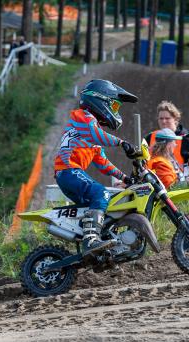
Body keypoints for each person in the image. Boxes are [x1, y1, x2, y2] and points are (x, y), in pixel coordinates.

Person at [54, 79, 139, 256]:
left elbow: (102, 162)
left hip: (70, 174)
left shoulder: (92, 129)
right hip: (68, 170)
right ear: (101, 100)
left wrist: (125, 178)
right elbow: (96, 135)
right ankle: (91, 241)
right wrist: (121, 143)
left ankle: (97, 247)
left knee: (99, 205)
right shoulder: (82, 117)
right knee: (102, 193)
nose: (116, 111)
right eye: (114, 107)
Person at [144, 101, 189, 180]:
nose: (163, 121)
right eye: (161, 118)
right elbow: (141, 162)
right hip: (153, 182)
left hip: (177, 183)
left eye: (167, 118)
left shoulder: (185, 139)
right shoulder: (150, 136)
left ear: (175, 119)